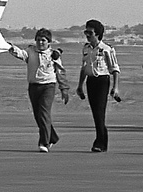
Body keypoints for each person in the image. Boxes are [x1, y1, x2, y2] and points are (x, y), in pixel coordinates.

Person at [7, 28, 68, 152]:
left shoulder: (53, 55)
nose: (40, 43)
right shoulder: (30, 51)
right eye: (38, 40)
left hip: (48, 85)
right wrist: (9, 47)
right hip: (34, 86)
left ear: (49, 42)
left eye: (43, 40)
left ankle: (44, 143)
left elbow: (60, 72)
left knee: (44, 113)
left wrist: (64, 89)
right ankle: (53, 137)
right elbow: (20, 54)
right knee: (38, 115)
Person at [77, 19, 122, 152]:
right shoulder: (86, 48)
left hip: (102, 81)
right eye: (86, 32)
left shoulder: (107, 49)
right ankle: (102, 141)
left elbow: (115, 69)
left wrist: (115, 87)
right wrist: (80, 86)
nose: (87, 35)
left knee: (99, 112)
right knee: (95, 113)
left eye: (90, 32)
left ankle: (100, 142)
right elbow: (84, 67)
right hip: (91, 81)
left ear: (97, 34)